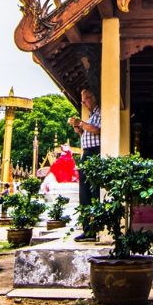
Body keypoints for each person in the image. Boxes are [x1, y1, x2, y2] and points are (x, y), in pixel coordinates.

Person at [68, 87, 101, 241]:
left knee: (94, 191)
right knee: (84, 193)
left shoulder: (100, 112)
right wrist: (78, 128)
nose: (85, 103)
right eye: (83, 100)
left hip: (96, 152)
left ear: (93, 97)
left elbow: (98, 130)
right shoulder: (91, 115)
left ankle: (96, 228)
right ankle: (88, 229)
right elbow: (87, 131)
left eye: (86, 98)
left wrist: (81, 123)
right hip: (86, 153)